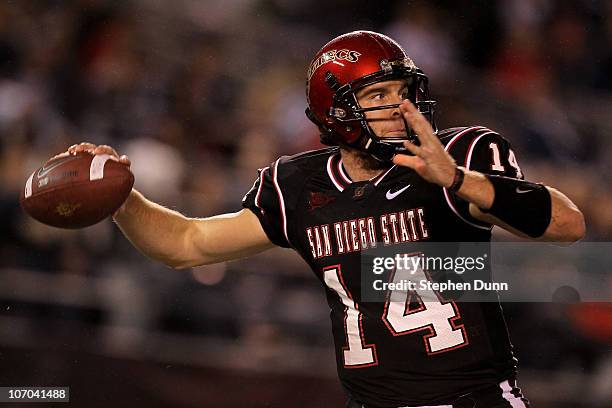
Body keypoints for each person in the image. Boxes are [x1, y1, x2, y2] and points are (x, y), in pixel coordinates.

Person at [65, 31, 585, 407]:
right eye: (378, 96)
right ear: (335, 112)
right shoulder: (299, 185)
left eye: (403, 92)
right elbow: (186, 243)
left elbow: (567, 225)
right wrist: (120, 199)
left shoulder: (459, 153)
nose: (399, 108)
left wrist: (457, 179)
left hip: (473, 400)